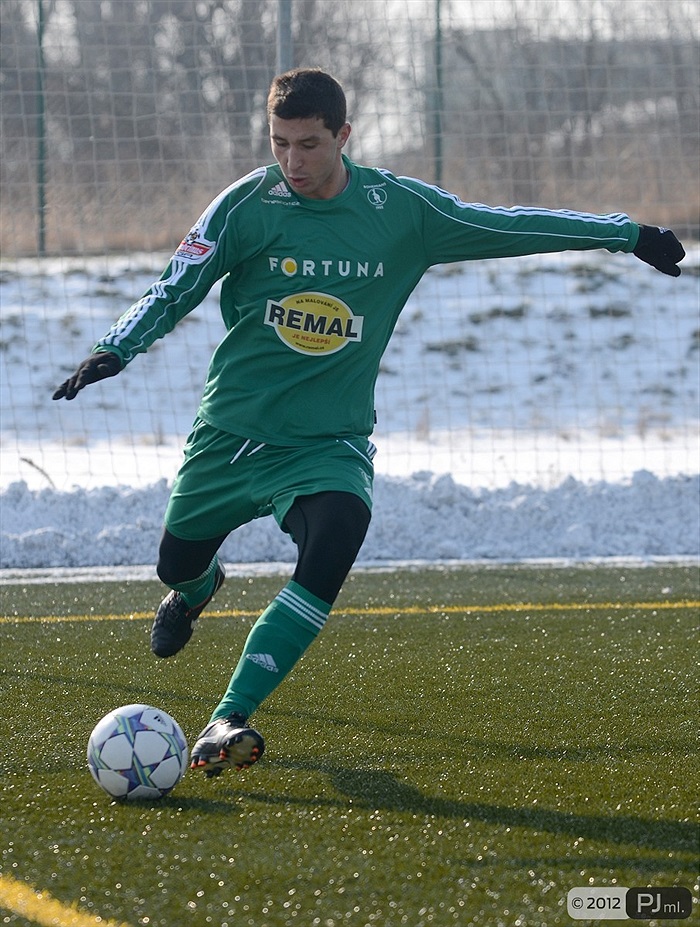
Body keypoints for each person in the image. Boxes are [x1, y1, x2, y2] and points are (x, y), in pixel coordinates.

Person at [53, 67, 686, 778]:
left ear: (343, 136)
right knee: (177, 562)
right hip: (232, 432)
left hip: (329, 441)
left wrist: (626, 234)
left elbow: (507, 225)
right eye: (279, 143)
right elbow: (176, 286)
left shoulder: (400, 211)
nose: (293, 161)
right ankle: (197, 591)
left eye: (309, 144)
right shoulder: (245, 206)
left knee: (337, 536)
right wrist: (115, 348)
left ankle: (229, 715)